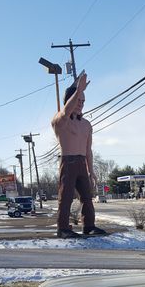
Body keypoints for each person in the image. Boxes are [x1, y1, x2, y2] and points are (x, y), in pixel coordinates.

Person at [52, 71, 106, 238]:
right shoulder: (60, 121)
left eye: (83, 101)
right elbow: (65, 111)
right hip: (67, 162)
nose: (80, 103)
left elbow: (88, 149)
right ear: (70, 99)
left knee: (87, 198)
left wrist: (91, 170)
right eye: (77, 100)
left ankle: (89, 225)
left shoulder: (87, 125)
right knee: (66, 197)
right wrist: (77, 90)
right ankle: (63, 229)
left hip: (82, 163)